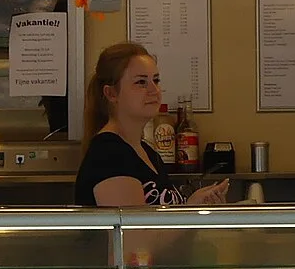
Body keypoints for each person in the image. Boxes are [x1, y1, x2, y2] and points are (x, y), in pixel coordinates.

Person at [74, 42, 229, 207]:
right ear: (111, 93)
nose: (154, 90)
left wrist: (196, 204)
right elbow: (135, 232)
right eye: (141, 82)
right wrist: (191, 211)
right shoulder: (109, 153)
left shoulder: (147, 151)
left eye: (156, 80)